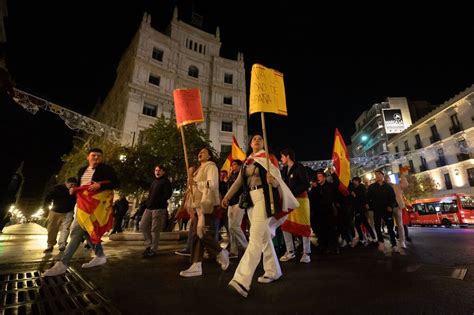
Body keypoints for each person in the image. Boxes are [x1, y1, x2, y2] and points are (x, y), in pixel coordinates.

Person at [222, 134, 299, 298]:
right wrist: (227, 196)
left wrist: (274, 181)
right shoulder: (247, 161)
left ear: (264, 143)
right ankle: (273, 271)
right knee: (264, 239)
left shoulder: (268, 158)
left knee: (255, 238)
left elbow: (278, 178)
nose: (256, 140)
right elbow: (238, 183)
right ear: (250, 144)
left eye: (260, 139)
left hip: (264, 198)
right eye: (254, 139)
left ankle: (241, 280)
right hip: (249, 200)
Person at [44, 148, 119, 276]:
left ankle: (63, 263)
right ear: (88, 157)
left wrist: (100, 186)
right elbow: (81, 187)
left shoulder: (106, 169)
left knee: (76, 232)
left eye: (99, 156)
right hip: (82, 206)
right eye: (93, 155)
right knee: (87, 233)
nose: (96, 158)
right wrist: (74, 190)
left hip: (94, 208)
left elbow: (116, 183)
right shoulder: (82, 170)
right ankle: (100, 256)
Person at [179, 148, 230, 277]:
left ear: (209, 156)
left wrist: (195, 182)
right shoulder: (197, 170)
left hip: (206, 205)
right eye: (199, 151)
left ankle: (220, 252)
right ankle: (196, 265)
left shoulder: (211, 167)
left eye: (203, 152)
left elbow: (212, 184)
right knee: (197, 235)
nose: (199, 153)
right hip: (197, 207)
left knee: (204, 233)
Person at [278, 148, 311, 263]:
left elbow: (306, 184)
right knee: (285, 224)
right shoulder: (284, 170)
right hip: (288, 201)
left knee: (303, 225)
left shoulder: (299, 167)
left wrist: (292, 193)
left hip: (301, 200)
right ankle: (290, 251)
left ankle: (306, 253)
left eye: (282, 156)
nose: (281, 159)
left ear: (287, 156)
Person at [140, 164, 172, 258]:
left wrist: (158, 201)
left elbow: (168, 194)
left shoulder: (166, 182)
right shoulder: (154, 182)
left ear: (163, 172)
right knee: (143, 225)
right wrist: (147, 203)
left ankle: (153, 249)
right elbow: (150, 194)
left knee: (155, 230)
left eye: (159, 170)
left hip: (158, 208)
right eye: (156, 170)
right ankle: (149, 245)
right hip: (149, 208)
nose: (157, 172)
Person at [366, 170, 398, 253]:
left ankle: (394, 244)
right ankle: (381, 242)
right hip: (377, 210)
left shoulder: (388, 187)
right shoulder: (372, 187)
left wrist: (391, 206)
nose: (378, 176)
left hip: (387, 210)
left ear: (383, 175)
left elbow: (393, 198)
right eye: (376, 175)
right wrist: (369, 205)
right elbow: (367, 198)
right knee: (377, 226)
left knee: (390, 228)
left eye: (379, 174)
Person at [43, 177, 78, 252]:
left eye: (74, 185)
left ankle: (62, 244)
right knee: (52, 229)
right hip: (55, 211)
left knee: (66, 228)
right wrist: (45, 209)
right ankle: (50, 245)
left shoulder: (76, 190)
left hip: (68, 212)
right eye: (71, 184)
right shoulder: (57, 188)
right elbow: (48, 197)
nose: (72, 186)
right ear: (66, 183)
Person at [226, 159, 248, 259]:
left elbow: (243, 188)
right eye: (232, 165)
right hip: (230, 204)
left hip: (238, 203)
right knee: (231, 229)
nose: (232, 166)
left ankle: (246, 247)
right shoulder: (231, 176)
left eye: (235, 164)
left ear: (240, 166)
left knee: (235, 226)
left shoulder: (242, 176)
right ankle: (233, 251)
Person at [349, 176, 376, 247]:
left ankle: (366, 239)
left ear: (358, 181)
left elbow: (362, 197)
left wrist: (355, 195)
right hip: (357, 209)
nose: (354, 182)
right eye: (353, 181)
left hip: (361, 209)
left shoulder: (361, 188)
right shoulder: (354, 188)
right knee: (363, 223)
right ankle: (371, 239)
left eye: (355, 181)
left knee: (359, 224)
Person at [384, 171, 408, 249]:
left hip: (397, 207)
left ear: (390, 179)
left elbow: (405, 185)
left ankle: (402, 241)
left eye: (388, 178)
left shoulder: (396, 186)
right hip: (388, 208)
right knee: (390, 226)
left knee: (400, 225)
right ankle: (393, 242)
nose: (387, 180)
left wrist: (402, 175)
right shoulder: (383, 188)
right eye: (385, 179)